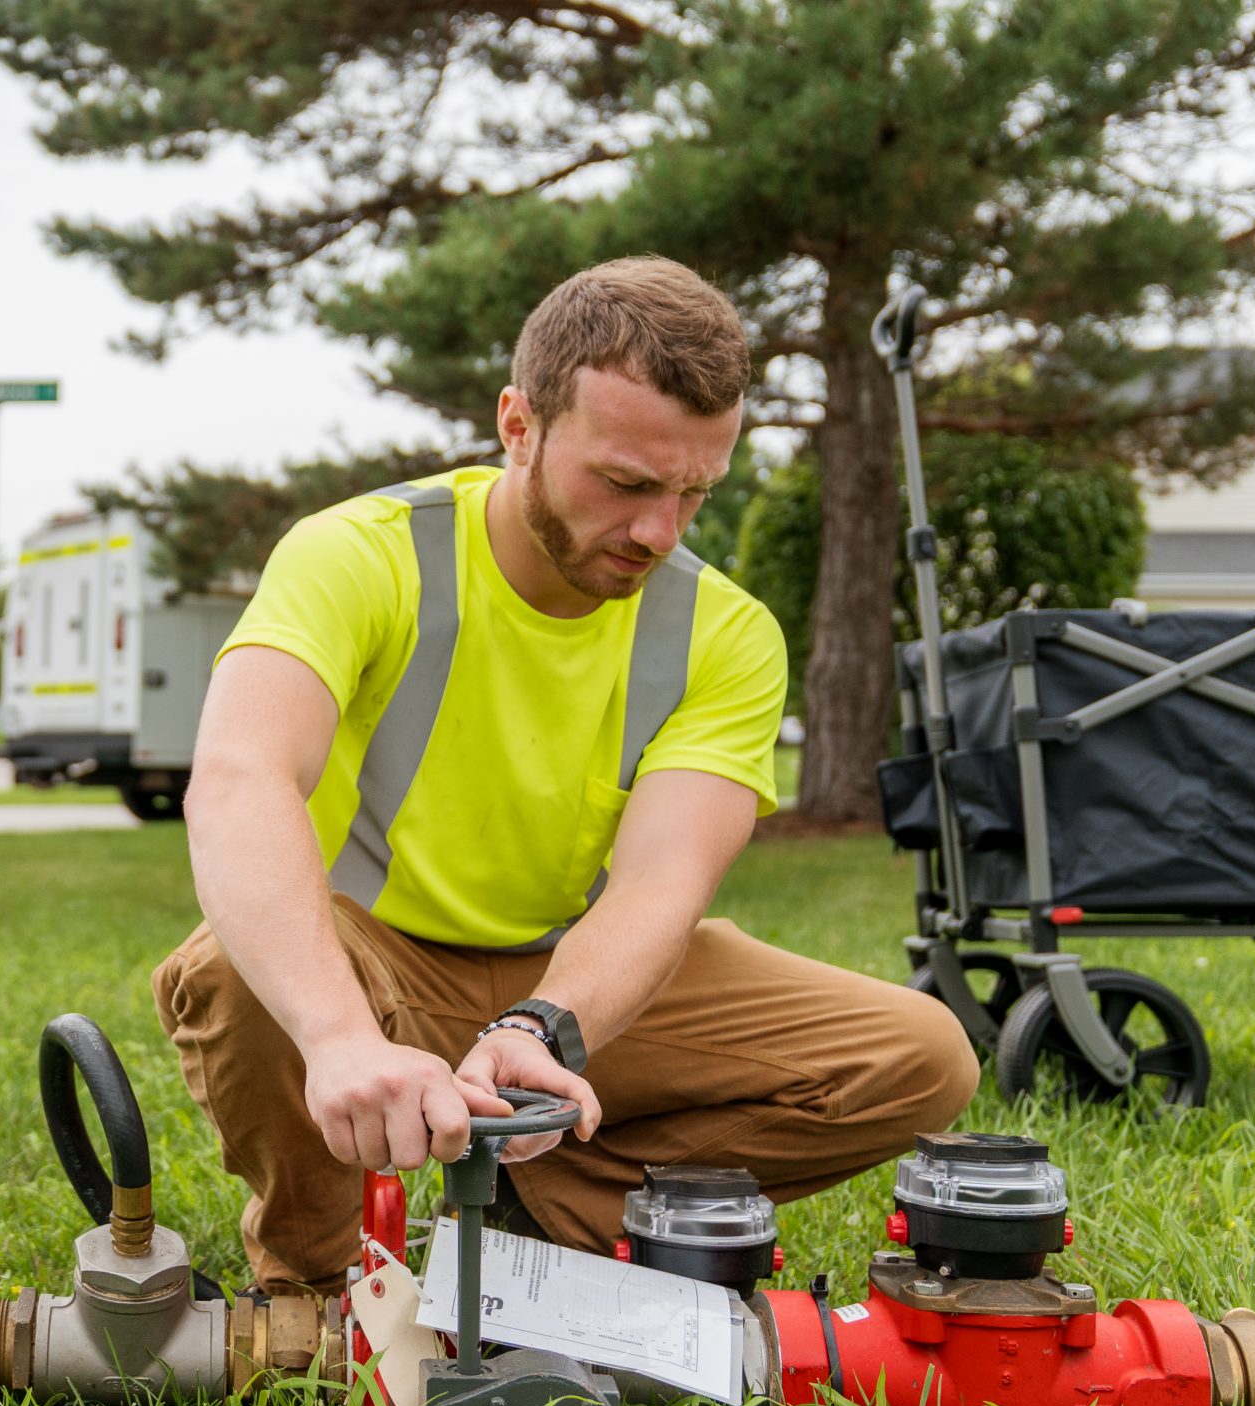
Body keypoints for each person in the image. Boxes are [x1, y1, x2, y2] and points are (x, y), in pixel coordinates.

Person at [153, 255, 977, 1295]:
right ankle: (313, 1285)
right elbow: (239, 781)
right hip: (373, 963)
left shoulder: (724, 633)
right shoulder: (358, 555)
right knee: (236, 974)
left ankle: (539, 1215)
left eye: (693, 492)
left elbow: (659, 888)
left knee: (919, 1056)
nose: (657, 531)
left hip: (573, 985)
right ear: (518, 426)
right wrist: (338, 1035)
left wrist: (541, 1026)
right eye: (627, 483)